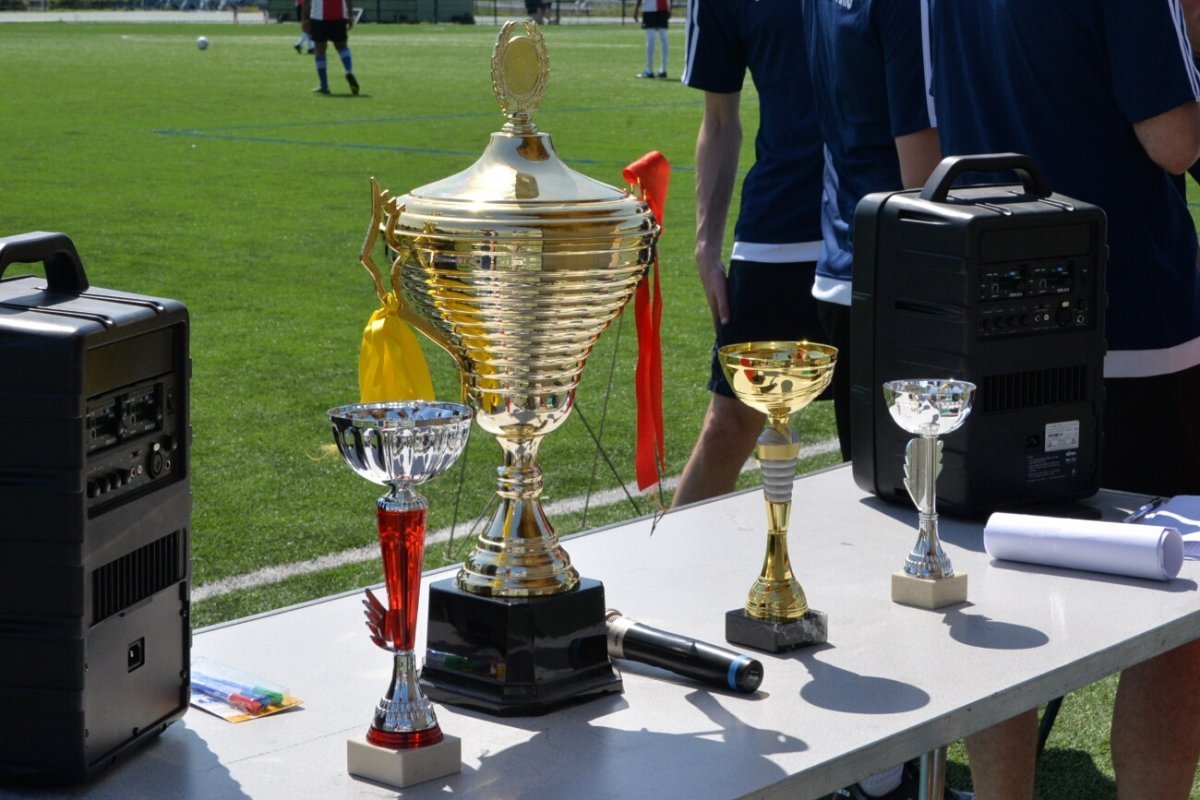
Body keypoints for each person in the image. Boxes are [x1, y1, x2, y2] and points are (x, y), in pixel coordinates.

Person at [927, 1, 1200, 798]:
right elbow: (1175, 141)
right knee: (1174, 611)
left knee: (1003, 591)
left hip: (998, 313)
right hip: (1135, 321)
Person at [672, 0, 827, 507]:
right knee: (728, 425)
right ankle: (672, 581)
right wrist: (705, 243)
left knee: (880, 432)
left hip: (871, 215)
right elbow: (719, 119)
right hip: (778, 227)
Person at [799, 0, 941, 464]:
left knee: (876, 498)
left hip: (846, 265)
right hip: (906, 277)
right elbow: (921, 173)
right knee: (925, 502)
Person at [302, 0, 359, 96]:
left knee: (320, 50)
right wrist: (349, 15)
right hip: (339, 15)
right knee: (342, 46)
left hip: (318, 16)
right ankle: (348, 70)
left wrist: (304, 19)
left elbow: (306, 1)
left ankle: (324, 85)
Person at [633, 0, 670, 79]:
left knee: (651, 38)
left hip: (650, 8)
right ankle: (663, 70)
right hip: (663, 6)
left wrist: (636, 8)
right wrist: (670, 8)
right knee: (663, 38)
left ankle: (649, 70)